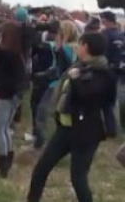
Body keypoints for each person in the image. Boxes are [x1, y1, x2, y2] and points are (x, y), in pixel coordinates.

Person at [27, 33, 117, 202]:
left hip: (87, 132)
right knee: (41, 168)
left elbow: (89, 94)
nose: (78, 47)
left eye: (80, 44)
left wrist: (76, 79)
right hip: (65, 129)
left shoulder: (103, 73)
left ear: (87, 47)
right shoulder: (78, 66)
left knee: (78, 178)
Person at [0, 21, 26, 178]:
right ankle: (8, 159)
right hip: (15, 96)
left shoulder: (3, 54)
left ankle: (3, 163)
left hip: (5, 95)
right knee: (5, 128)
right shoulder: (18, 54)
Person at [34, 20, 78, 149]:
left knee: (43, 113)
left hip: (57, 86)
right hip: (67, 86)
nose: (56, 34)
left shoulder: (65, 49)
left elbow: (61, 68)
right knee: (58, 115)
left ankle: (43, 143)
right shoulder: (75, 47)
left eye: (58, 32)